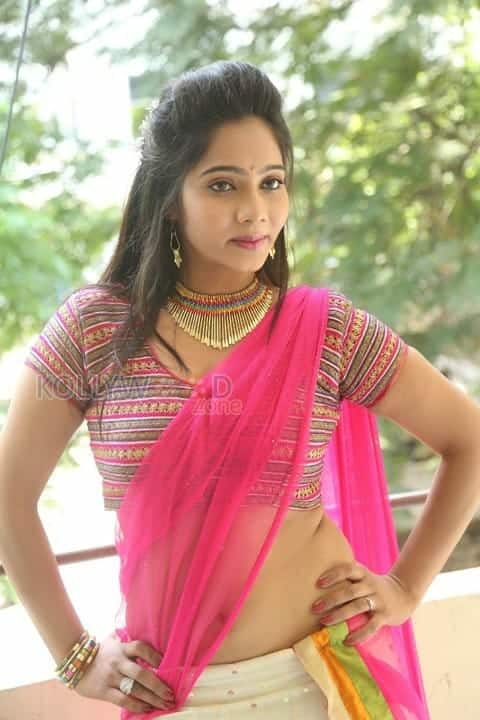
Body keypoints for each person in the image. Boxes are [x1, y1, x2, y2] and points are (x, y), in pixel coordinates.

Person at [1, 60, 479, 720]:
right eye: (223, 184)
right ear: (170, 197)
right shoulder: (97, 329)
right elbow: (8, 496)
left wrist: (403, 586)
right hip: (177, 693)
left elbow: (468, 438)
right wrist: (76, 656)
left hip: (324, 680)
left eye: (271, 182)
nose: (255, 210)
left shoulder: (325, 331)